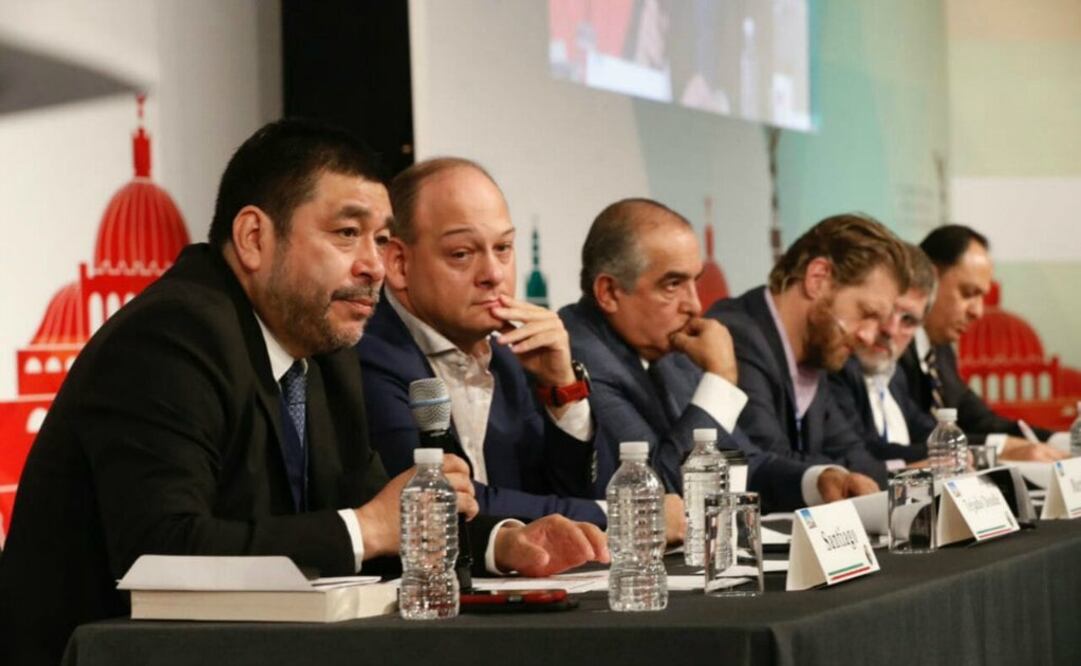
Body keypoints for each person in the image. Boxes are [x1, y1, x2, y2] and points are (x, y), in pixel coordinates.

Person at [0, 121, 607, 666]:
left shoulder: (324, 349)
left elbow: (372, 504)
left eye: (380, 239)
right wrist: (367, 528)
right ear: (254, 238)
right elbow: (163, 550)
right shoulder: (172, 337)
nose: (373, 265)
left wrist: (506, 545)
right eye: (347, 233)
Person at [560, 199, 872, 512]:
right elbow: (659, 494)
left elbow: (742, 464)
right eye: (673, 284)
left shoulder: (670, 350)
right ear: (609, 293)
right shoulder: (577, 356)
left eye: (694, 282)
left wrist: (817, 481)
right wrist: (721, 378)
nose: (694, 305)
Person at [357, 157, 606, 527]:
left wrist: (562, 389)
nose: (493, 274)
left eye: (503, 248)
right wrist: (615, 514)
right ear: (399, 264)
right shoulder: (369, 354)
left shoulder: (509, 357)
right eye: (462, 253)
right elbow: (449, 503)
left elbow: (564, 495)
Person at [706, 213, 907, 494]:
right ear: (818, 279)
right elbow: (767, 459)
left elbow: (852, 454)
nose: (868, 336)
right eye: (866, 313)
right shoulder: (737, 334)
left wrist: (917, 474)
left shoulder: (818, 352)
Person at [897, 225, 1065, 461]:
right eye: (968, 293)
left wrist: (1060, 442)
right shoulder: (891, 349)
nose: (978, 311)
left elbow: (979, 419)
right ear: (929, 280)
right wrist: (1004, 447)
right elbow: (915, 438)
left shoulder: (940, 349)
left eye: (982, 296)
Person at [828, 243, 937, 468]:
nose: (890, 329)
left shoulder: (894, 373)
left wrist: (962, 448)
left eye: (908, 321)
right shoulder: (835, 368)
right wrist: (944, 457)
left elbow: (928, 430)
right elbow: (860, 450)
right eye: (882, 312)